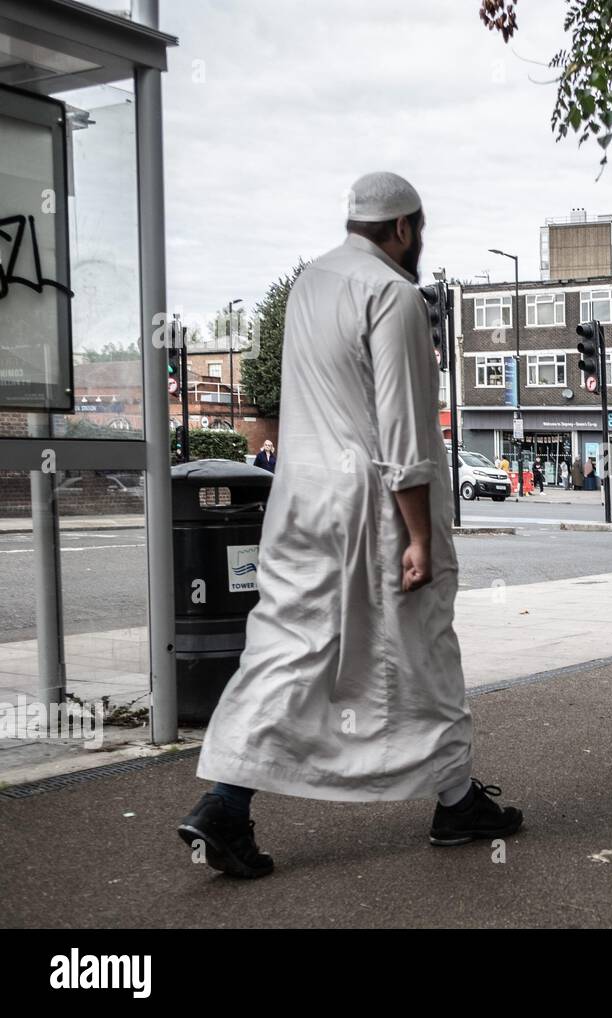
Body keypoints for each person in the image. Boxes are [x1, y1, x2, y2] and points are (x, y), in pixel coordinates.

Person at [178, 172, 522, 879]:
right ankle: (456, 805)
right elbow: (402, 429)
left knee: (288, 648)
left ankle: (226, 804)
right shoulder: (393, 296)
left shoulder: (310, 283)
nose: (418, 245)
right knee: (423, 645)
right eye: (417, 231)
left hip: (300, 499)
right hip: (371, 507)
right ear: (401, 228)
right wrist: (421, 535)